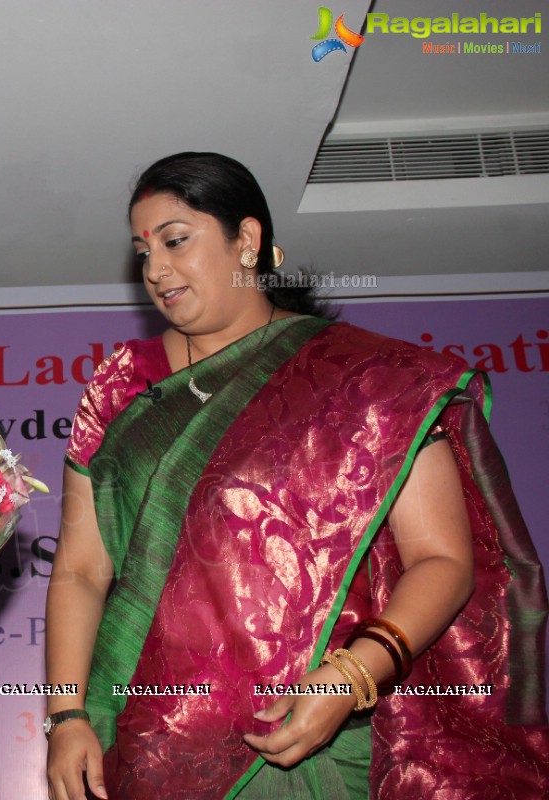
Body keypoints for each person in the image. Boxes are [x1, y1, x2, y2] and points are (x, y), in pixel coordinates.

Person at [44, 152, 549, 799]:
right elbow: (81, 570)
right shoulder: (121, 398)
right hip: (147, 740)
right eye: (143, 252)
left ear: (247, 240)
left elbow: (442, 559)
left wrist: (350, 680)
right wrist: (67, 714)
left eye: (175, 241)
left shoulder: (368, 378)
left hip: (315, 732)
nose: (156, 270)